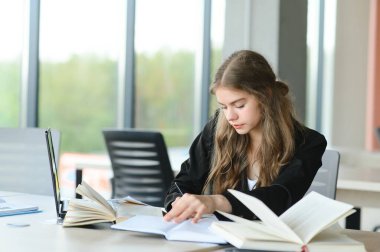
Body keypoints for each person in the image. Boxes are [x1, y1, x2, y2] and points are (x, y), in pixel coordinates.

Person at [163, 50, 327, 224]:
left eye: (239, 105)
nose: (230, 116)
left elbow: (281, 197)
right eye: (224, 107)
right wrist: (179, 203)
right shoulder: (216, 129)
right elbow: (184, 181)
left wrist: (216, 201)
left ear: (265, 96)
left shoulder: (308, 143)